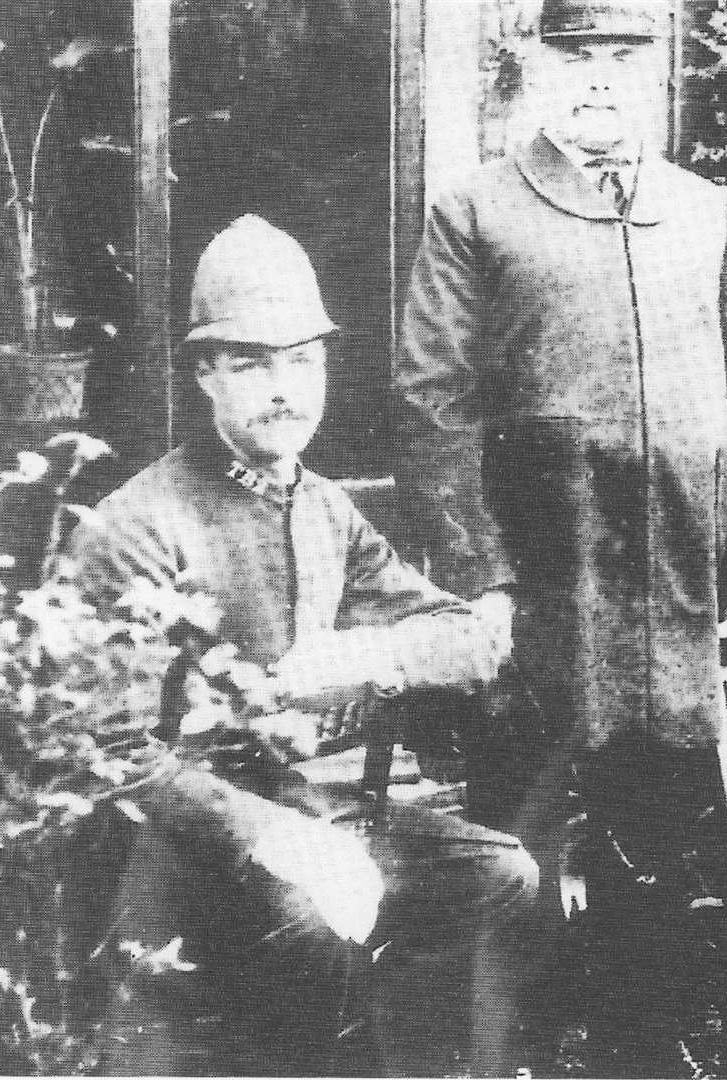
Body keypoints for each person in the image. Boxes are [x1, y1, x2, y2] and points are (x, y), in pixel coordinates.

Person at [395, 0, 727, 1049]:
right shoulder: (475, 212)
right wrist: (480, 577)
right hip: (543, 602)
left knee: (662, 859)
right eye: (575, 53)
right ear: (535, 63)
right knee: (520, 852)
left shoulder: (706, 213)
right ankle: (505, 1062)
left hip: (674, 603)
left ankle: (641, 1056)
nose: (598, 77)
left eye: (623, 55)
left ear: (652, 71)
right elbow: (431, 407)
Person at [63, 215, 539, 1077]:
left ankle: (399, 1059)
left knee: (496, 876)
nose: (285, 388)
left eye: (304, 360)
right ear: (205, 373)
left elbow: (470, 639)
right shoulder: (141, 525)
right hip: (171, 840)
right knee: (314, 920)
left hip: (298, 803)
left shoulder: (322, 507)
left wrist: (371, 657)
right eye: (253, 363)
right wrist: (278, 837)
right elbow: (111, 755)